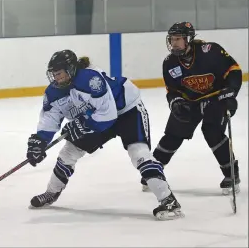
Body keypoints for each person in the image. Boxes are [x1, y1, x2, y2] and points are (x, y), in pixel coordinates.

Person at [26, 49, 184, 220]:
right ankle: (51, 193)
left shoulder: (89, 79)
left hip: (127, 110)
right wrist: (40, 141)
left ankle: (169, 200)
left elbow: (108, 115)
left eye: (60, 74)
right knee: (68, 152)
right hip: (96, 117)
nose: (57, 78)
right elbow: (50, 118)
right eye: (54, 74)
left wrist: (82, 124)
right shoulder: (53, 93)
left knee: (139, 153)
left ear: (71, 69)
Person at [140, 22, 242, 195]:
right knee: (172, 135)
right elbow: (172, 91)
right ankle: (153, 173)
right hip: (190, 102)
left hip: (216, 98)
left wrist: (231, 92)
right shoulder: (170, 63)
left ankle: (231, 174)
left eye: (178, 39)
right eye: (172, 39)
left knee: (213, 132)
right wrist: (176, 102)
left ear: (188, 39)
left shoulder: (210, 51)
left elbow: (233, 70)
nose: (174, 43)